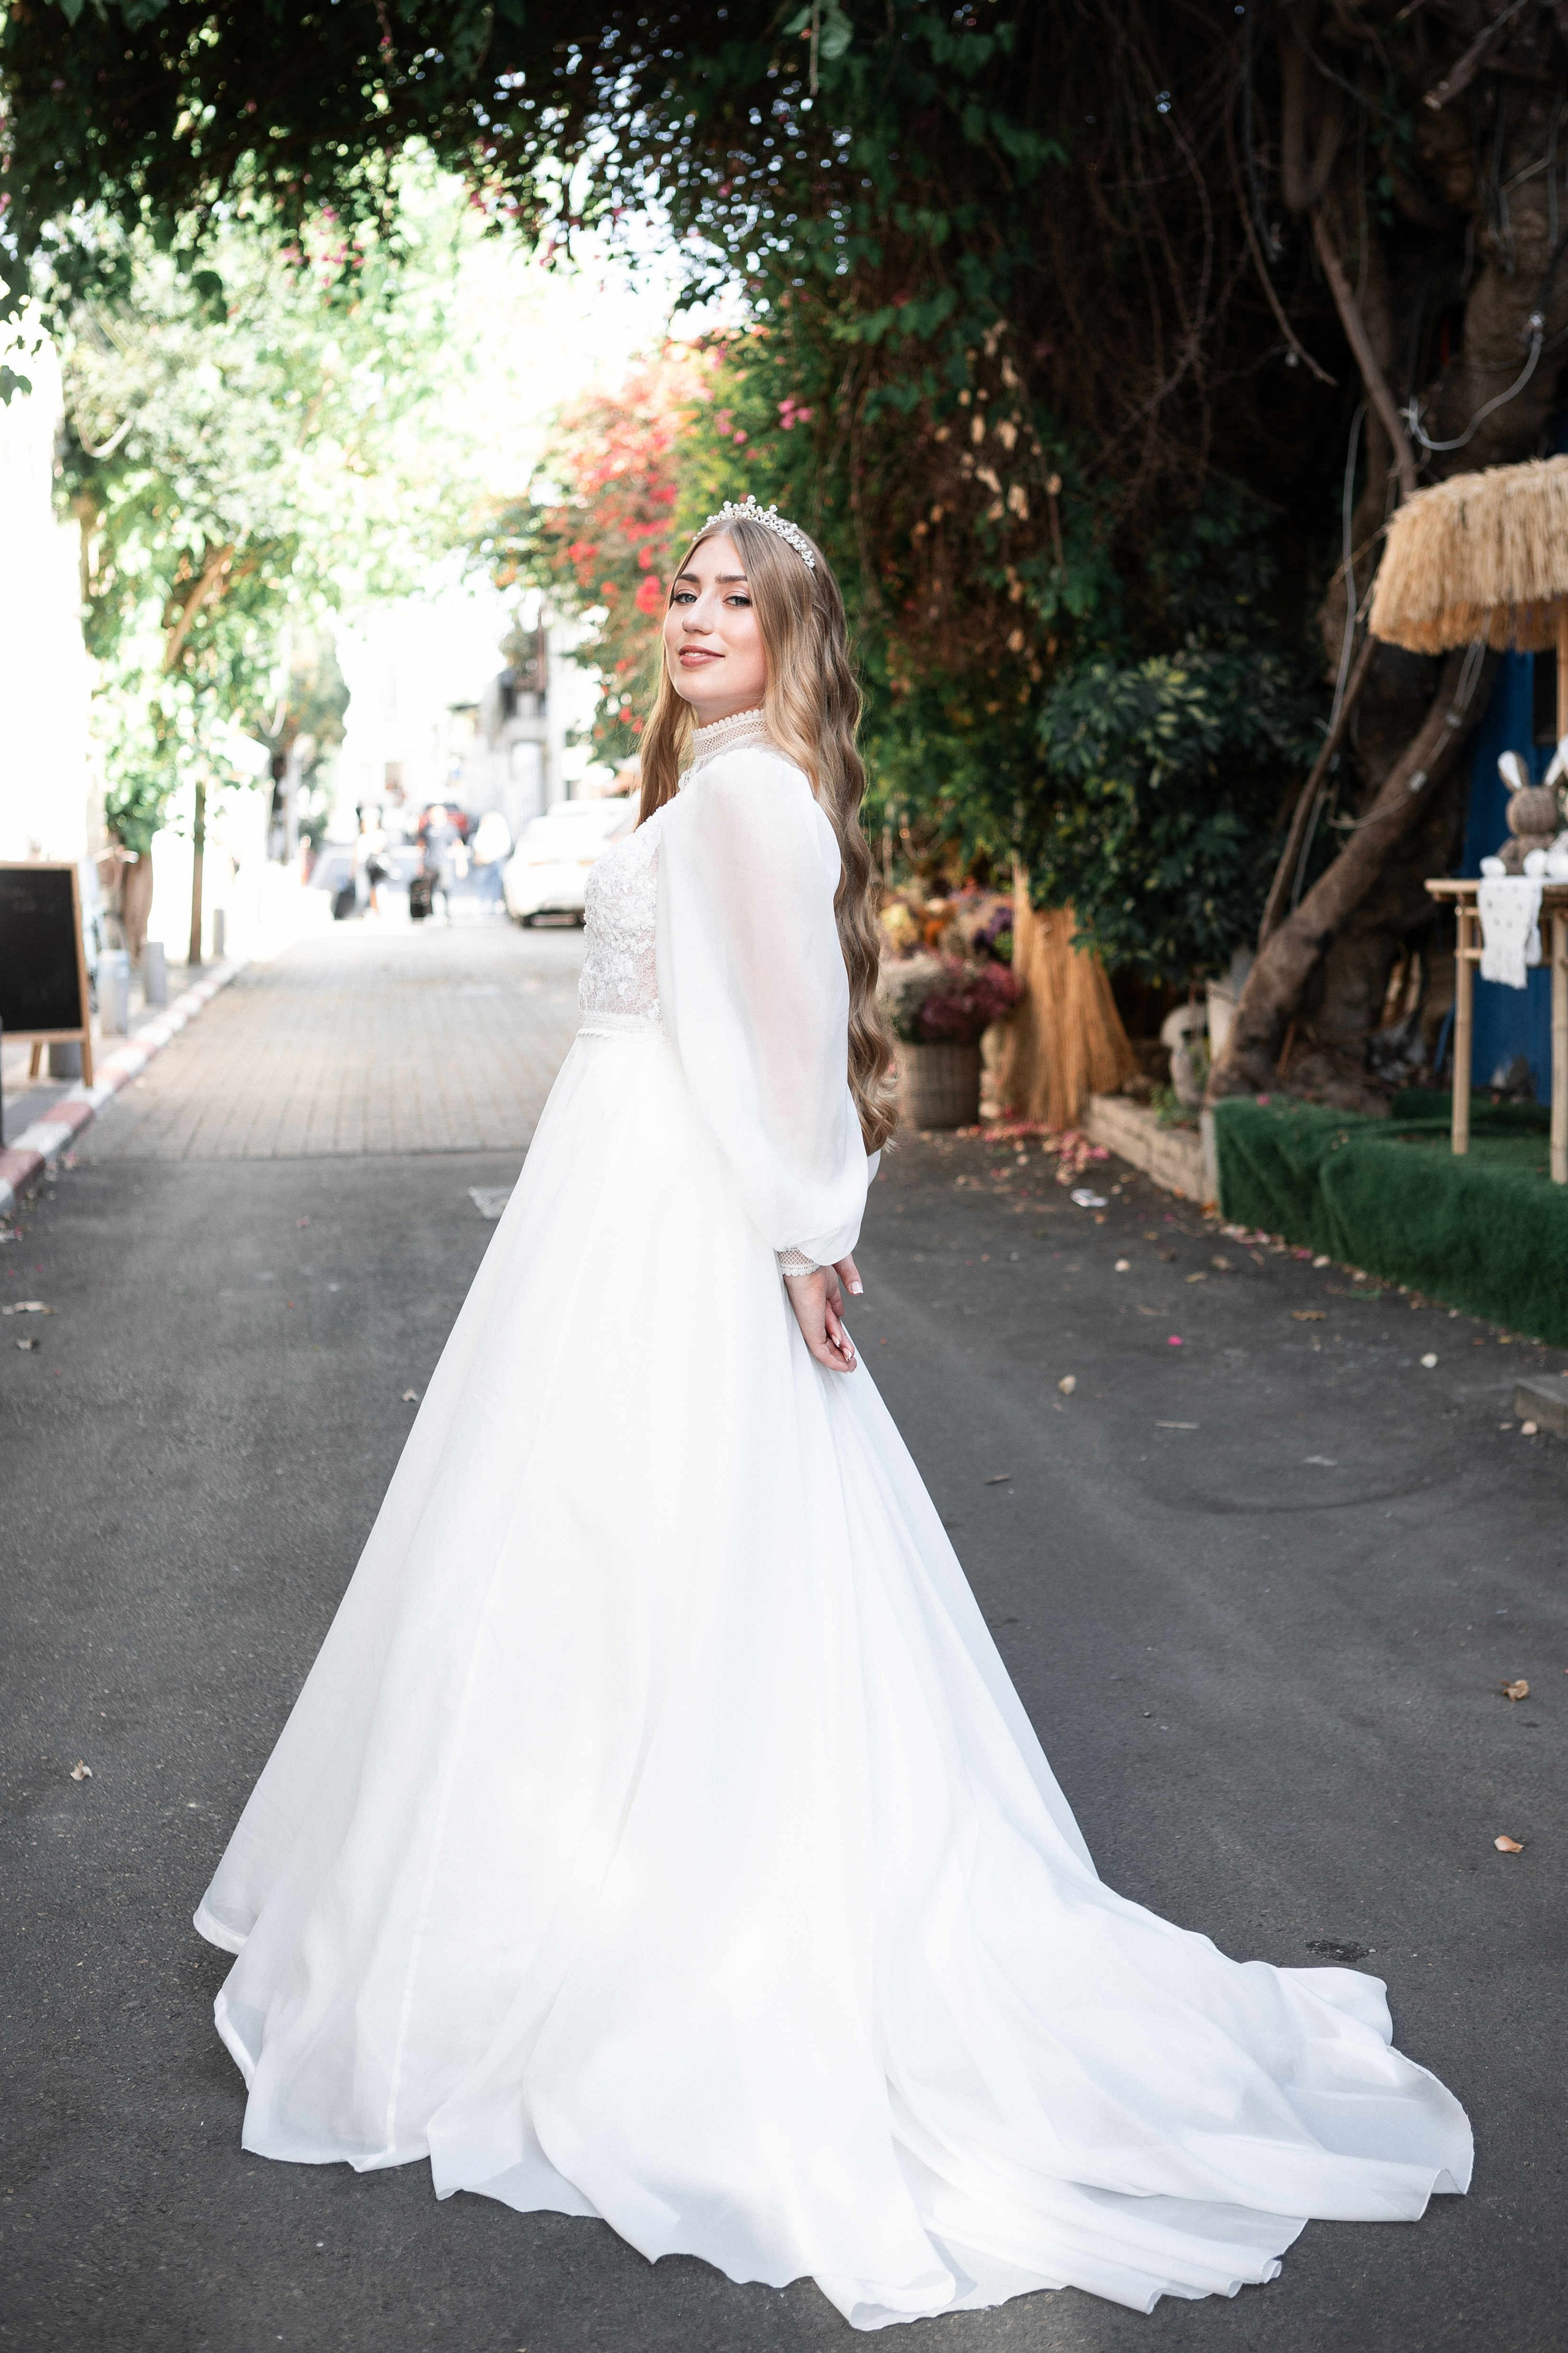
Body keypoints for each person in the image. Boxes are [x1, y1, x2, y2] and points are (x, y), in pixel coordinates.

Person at [194, 496, 1471, 2330]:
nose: (701, 614)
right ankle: (547, 1878)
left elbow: (794, 1040)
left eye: (743, 597)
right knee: (575, 1557)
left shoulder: (755, 801)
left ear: (797, 638)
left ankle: (646, 1922)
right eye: (689, 590)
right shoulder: (709, 786)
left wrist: (808, 1230)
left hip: (685, 1220)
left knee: (670, 1565)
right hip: (612, 1208)